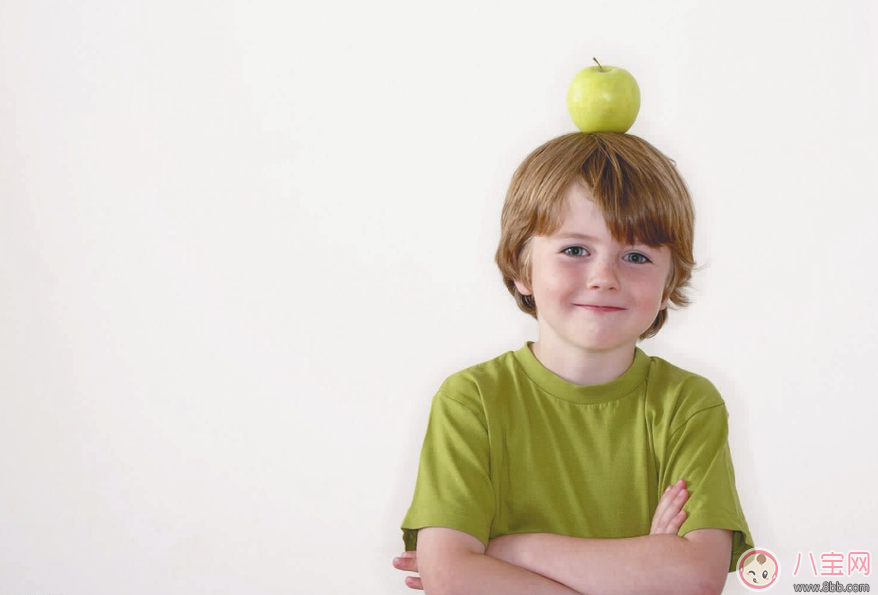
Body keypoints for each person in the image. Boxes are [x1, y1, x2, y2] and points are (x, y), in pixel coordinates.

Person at [392, 131, 754, 595]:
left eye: (637, 255)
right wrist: (637, 569)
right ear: (522, 269)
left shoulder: (688, 405)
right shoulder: (471, 401)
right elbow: (449, 574)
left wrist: (509, 552)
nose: (604, 278)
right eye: (575, 250)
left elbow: (693, 578)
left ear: (668, 285)